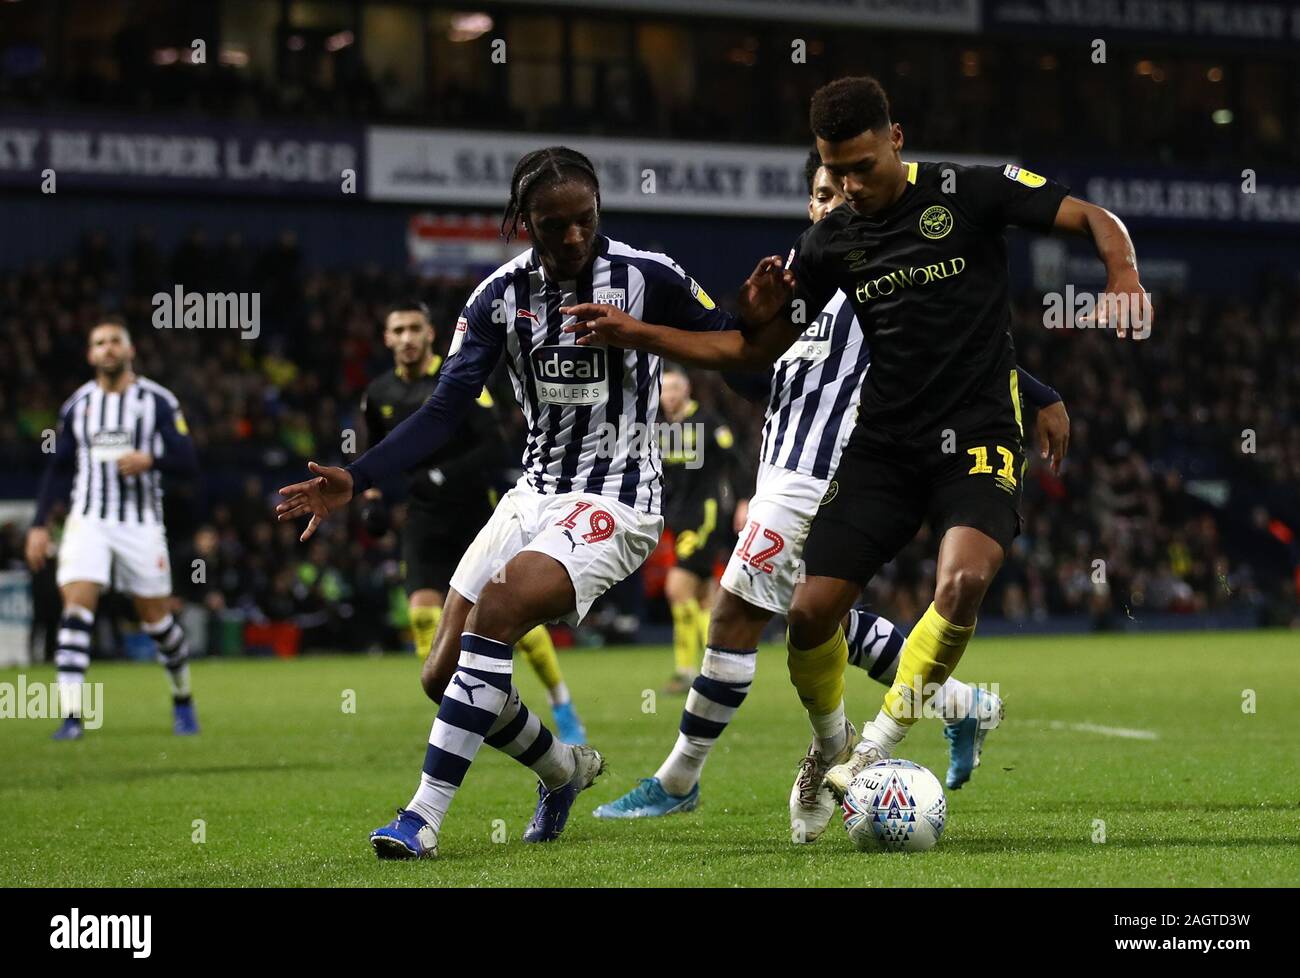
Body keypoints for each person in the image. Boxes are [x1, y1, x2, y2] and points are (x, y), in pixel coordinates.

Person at [565, 75, 1148, 842]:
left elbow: (1092, 217)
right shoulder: (832, 241)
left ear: (896, 139)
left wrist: (1123, 274)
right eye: (833, 173)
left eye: (862, 168)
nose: (848, 186)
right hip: (883, 447)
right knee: (809, 616)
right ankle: (842, 744)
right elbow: (751, 347)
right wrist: (681, 326)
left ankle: (866, 750)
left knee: (964, 578)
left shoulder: (969, 192)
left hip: (974, 438)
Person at [275, 146, 775, 859]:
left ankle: (421, 816)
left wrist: (760, 338)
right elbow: (446, 408)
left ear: (599, 210)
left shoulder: (647, 277)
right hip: (532, 494)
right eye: (551, 226)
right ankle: (561, 768)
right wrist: (360, 475)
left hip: (618, 499)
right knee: (440, 674)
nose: (571, 237)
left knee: (501, 605)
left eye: (584, 221)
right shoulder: (496, 299)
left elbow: (737, 360)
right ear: (523, 223)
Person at [360, 300, 586, 743]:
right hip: (422, 519)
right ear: (387, 339)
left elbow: (494, 446)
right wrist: (369, 497)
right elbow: (372, 451)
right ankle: (457, 714)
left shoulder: (458, 382)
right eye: (397, 329)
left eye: (414, 329)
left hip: (475, 516)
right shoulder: (378, 394)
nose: (406, 338)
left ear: (430, 334)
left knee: (512, 619)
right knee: (424, 616)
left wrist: (442, 474)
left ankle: (561, 701)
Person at [25, 316, 201, 740]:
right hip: (88, 521)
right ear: (90, 354)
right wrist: (39, 525)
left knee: (157, 621)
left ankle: (182, 699)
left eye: (114, 341)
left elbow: (188, 462)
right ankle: (71, 717)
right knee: (77, 606)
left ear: (129, 350)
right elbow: (59, 468)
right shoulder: (77, 405)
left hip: (140, 523)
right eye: (99, 342)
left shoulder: (157, 401)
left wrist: (150, 460)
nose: (107, 348)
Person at [656, 363, 749, 694]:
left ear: (687, 390)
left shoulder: (708, 421)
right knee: (704, 597)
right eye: (664, 390)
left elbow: (736, 460)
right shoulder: (659, 426)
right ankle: (722, 669)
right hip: (678, 518)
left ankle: (686, 671)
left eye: (674, 389)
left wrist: (743, 500)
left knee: (676, 589)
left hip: (706, 515)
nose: (668, 396)